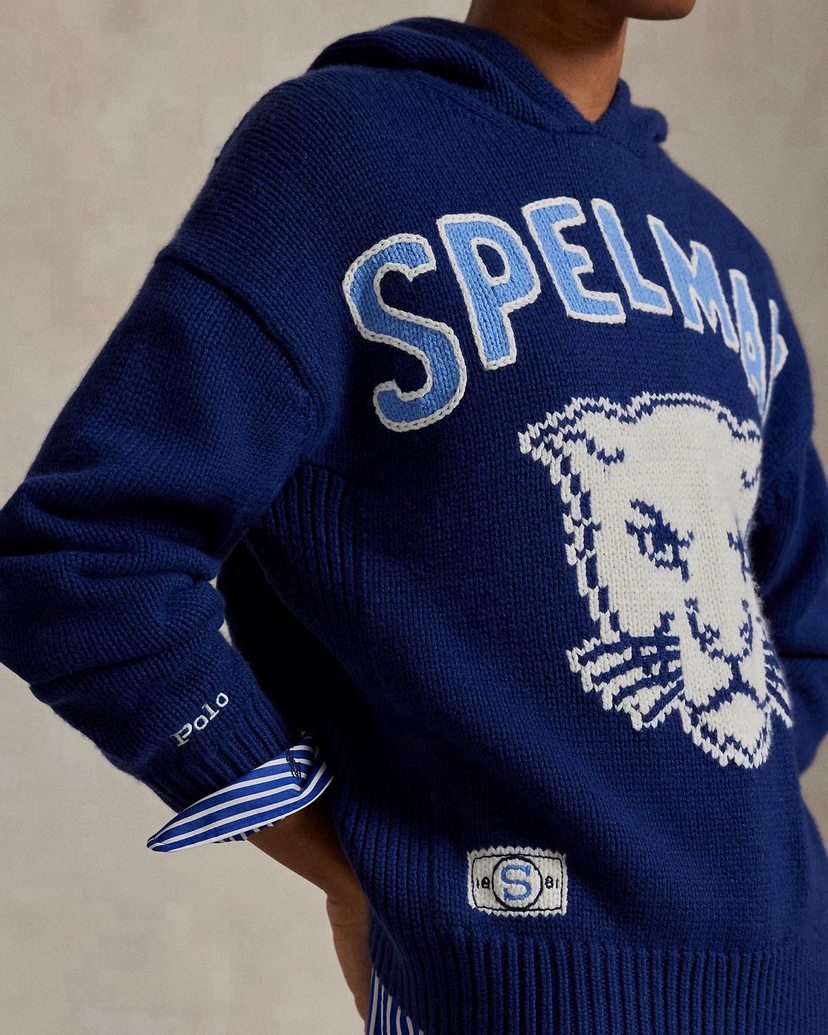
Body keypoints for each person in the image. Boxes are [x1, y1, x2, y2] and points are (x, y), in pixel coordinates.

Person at [1, 0, 827, 1031]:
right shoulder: (338, 155)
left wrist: (716, 820)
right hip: (504, 993)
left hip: (794, 987)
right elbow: (81, 561)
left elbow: (803, 621)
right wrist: (342, 860)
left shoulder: (724, 253)